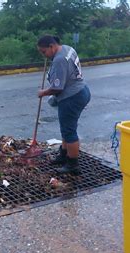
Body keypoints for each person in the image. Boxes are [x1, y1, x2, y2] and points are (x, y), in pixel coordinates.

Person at [37, 35, 91, 175]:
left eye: (44, 52)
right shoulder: (67, 48)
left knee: (69, 131)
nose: (45, 56)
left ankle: (72, 164)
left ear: (51, 46)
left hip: (71, 97)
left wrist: (43, 92)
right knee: (67, 127)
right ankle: (64, 154)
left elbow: (57, 88)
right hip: (82, 90)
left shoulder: (59, 60)